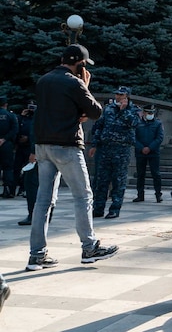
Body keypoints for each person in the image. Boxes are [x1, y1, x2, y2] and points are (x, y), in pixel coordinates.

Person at [28, 44, 118, 271]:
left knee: (43, 201)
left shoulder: (44, 80)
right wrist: (85, 86)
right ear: (81, 63)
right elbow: (96, 111)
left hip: (43, 146)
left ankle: (36, 255)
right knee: (83, 196)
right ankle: (89, 247)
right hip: (67, 146)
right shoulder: (75, 82)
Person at [89, 86, 139, 219]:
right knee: (101, 180)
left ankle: (115, 209)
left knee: (118, 180)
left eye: (121, 95)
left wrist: (123, 111)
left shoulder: (133, 110)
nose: (118, 97)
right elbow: (99, 126)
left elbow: (134, 124)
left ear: (127, 96)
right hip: (106, 148)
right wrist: (95, 145)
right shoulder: (108, 108)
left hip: (122, 149)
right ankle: (98, 208)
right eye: (117, 94)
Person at [132, 104, 164, 203]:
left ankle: (158, 195)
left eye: (152, 113)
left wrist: (150, 148)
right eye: (149, 112)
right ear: (144, 113)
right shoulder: (138, 123)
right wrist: (141, 148)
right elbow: (133, 137)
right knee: (140, 175)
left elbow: (159, 138)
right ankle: (140, 195)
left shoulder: (158, 123)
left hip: (153, 152)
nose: (151, 114)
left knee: (156, 174)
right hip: (140, 153)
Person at [14, 102, 35, 196]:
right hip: (20, 147)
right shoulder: (22, 119)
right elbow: (16, 128)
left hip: (30, 147)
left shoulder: (36, 119)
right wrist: (21, 116)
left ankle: (25, 188)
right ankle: (14, 188)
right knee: (17, 168)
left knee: (29, 170)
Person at [0, 95, 19, 198]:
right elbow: (15, 130)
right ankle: (8, 190)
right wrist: (4, 139)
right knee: (8, 168)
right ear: (6, 104)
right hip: (6, 144)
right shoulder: (11, 116)